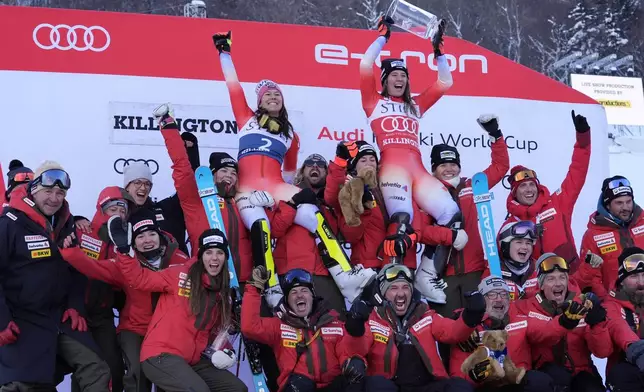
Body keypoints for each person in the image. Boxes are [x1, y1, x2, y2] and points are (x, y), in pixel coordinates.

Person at [213, 31, 374, 303]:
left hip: (274, 188)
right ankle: (272, 288)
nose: (273, 97)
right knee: (261, 227)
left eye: (277, 94)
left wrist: (280, 199)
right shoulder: (245, 119)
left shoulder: (290, 136)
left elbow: (288, 175)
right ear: (259, 102)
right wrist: (224, 54)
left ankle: (345, 276)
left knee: (313, 212)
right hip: (247, 191)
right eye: (267, 95)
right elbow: (234, 86)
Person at [0, 161, 111, 391]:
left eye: (60, 193)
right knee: (23, 384)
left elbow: (76, 270)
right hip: (22, 319)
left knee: (97, 369)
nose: (54, 198)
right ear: (33, 190)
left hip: (59, 318)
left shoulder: (67, 223)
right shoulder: (9, 224)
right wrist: (1, 321)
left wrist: (74, 305)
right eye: (48, 191)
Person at [358, 16, 459, 259]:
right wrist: (383, 37)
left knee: (452, 214)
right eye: (394, 75)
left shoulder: (415, 106)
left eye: (403, 76)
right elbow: (365, 64)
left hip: (419, 170)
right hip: (393, 170)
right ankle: (393, 273)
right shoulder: (374, 102)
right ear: (384, 79)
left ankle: (427, 271)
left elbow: (445, 82)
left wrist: (438, 51)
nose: (399, 79)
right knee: (402, 218)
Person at [110, 219, 247, 392]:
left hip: (193, 360)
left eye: (219, 253)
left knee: (236, 388)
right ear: (200, 256)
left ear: (225, 257)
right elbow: (140, 279)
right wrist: (124, 252)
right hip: (161, 355)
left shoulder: (221, 292)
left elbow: (214, 331)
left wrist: (226, 350)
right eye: (208, 252)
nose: (214, 258)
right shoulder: (180, 274)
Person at [62, 208, 189, 392]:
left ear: (160, 235)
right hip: (134, 329)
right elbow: (93, 267)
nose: (147, 240)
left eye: (152, 234)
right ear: (134, 243)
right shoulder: (125, 263)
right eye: (140, 236)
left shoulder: (179, 259)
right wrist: (71, 251)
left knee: (167, 376)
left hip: (167, 331)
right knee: (138, 372)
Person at [325, 141, 460, 291]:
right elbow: (350, 233)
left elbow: (417, 223)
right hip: (369, 270)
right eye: (363, 160)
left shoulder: (394, 184)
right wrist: (364, 209)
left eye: (372, 159)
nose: (369, 164)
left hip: (403, 265)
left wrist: (418, 237)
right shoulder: (352, 190)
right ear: (354, 165)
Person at [344, 263, 487, 392]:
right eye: (393, 288)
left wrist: (473, 314)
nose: (401, 293)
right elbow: (358, 347)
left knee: (458, 387)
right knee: (376, 385)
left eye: (405, 287)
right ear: (383, 293)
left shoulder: (426, 316)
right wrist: (355, 324)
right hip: (390, 385)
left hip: (426, 385)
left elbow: (454, 332)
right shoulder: (374, 319)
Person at [425, 114, 509, 309]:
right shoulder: (426, 193)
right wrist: (449, 236)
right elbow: (422, 231)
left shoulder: (472, 186)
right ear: (434, 169)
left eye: (453, 164)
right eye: (443, 165)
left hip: (474, 270)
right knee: (449, 328)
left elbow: (500, 167)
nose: (449, 169)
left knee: (477, 324)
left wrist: (495, 135)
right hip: (443, 273)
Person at [242, 266, 366, 391]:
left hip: (331, 385)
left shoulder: (332, 322)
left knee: (357, 382)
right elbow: (250, 327)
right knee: (302, 385)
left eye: (304, 290)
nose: (299, 295)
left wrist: (355, 362)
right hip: (296, 387)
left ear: (312, 296)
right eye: (294, 292)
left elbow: (346, 352)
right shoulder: (279, 326)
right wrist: (254, 288)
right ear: (287, 300)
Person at [450, 276, 582, 391]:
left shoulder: (521, 320)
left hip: (517, 382)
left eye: (504, 295)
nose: (499, 299)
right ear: (482, 300)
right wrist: (473, 377)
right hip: (486, 386)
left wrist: (565, 321)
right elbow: (459, 374)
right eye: (492, 294)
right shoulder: (470, 329)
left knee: (540, 381)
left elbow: (546, 329)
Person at [502, 111, 591, 269]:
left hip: (569, 276)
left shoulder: (557, 203)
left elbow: (577, 172)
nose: (529, 189)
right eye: (523, 186)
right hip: (535, 285)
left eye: (532, 184)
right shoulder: (511, 223)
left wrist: (583, 139)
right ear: (514, 192)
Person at [513, 253, 610, 391]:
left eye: (562, 278)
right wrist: (564, 322)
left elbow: (602, 352)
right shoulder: (526, 307)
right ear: (541, 285)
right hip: (547, 374)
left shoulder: (582, 304)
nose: (558, 283)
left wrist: (597, 324)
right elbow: (537, 335)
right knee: (555, 377)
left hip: (581, 373)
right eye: (551, 279)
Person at [71, 186, 135, 392]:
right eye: (113, 208)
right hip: (77, 313)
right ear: (101, 209)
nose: (119, 213)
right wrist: (75, 219)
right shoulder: (82, 230)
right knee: (85, 368)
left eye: (123, 209)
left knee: (115, 368)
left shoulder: (126, 241)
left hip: (103, 316)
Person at [577, 176, 644, 297]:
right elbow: (592, 278)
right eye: (619, 203)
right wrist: (608, 303)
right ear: (607, 205)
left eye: (628, 201)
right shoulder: (593, 235)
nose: (625, 207)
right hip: (617, 305)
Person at [602, 247, 644, 391]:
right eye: (634, 277)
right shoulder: (610, 305)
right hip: (628, 373)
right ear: (622, 280)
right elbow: (618, 327)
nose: (641, 282)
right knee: (622, 374)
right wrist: (639, 351)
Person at [492, 220, 539, 301]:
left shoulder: (539, 270)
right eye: (519, 242)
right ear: (505, 246)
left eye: (528, 243)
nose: (525, 247)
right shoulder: (493, 272)